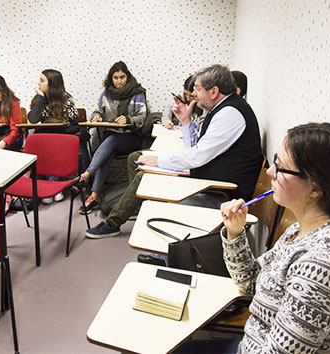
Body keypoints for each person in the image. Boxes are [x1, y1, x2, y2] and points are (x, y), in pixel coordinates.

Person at [212, 122, 330, 353]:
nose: (270, 172)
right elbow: (250, 283)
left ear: (315, 189)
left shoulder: (324, 263)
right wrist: (235, 233)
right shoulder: (300, 232)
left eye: (280, 168)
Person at [85, 64, 264, 239]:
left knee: (144, 174)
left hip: (220, 189)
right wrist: (185, 121)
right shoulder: (219, 109)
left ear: (214, 91)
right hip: (206, 174)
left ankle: (114, 222)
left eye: (197, 89)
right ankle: (139, 205)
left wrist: (159, 161)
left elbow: (197, 156)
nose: (193, 94)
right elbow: (196, 147)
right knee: (136, 158)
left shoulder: (229, 113)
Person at [79, 61, 147, 213]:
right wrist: (96, 116)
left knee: (112, 140)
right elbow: (98, 111)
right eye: (115, 78)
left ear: (127, 77)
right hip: (112, 138)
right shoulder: (106, 94)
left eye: (122, 77)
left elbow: (142, 117)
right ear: (111, 78)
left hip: (132, 138)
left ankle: (88, 172)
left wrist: (129, 120)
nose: (118, 81)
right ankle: (94, 195)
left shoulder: (138, 93)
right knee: (108, 151)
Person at [28, 69, 84, 204]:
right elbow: (33, 119)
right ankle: (43, 187)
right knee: (36, 145)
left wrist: (59, 132)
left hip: (63, 136)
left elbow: (75, 125)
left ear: (52, 83)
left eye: (42, 81)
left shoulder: (65, 98)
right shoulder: (39, 99)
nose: (38, 83)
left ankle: (53, 187)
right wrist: (40, 98)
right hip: (46, 137)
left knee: (55, 147)